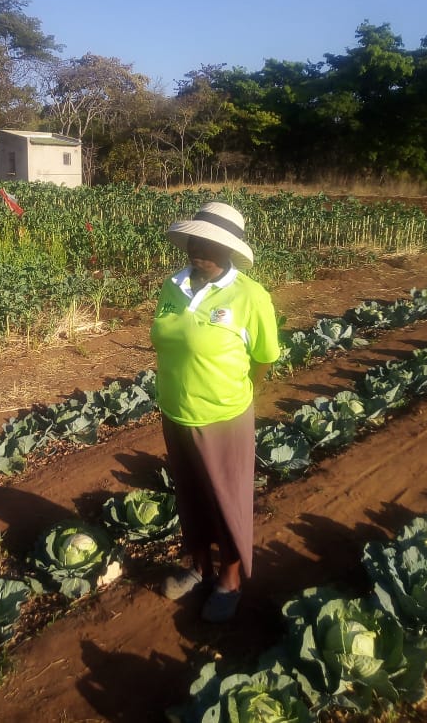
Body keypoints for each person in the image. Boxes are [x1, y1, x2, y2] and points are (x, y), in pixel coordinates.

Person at [149, 201, 279, 623]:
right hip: (175, 411)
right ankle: (197, 565)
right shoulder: (172, 287)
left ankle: (231, 579)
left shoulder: (250, 296)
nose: (196, 249)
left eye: (208, 244)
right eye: (193, 241)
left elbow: (264, 357)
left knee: (227, 502)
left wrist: (240, 397)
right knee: (190, 496)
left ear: (228, 250)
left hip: (224, 418)